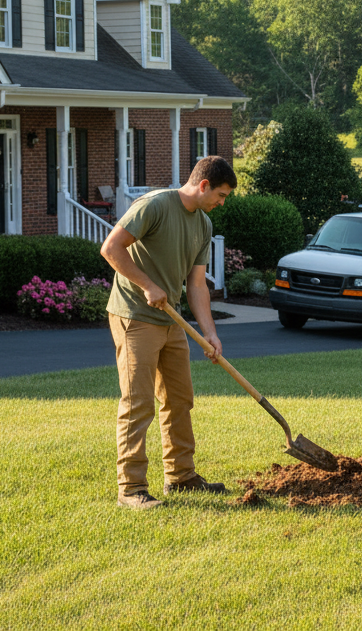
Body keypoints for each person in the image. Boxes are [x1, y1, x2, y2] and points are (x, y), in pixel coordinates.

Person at [100, 155, 237, 509]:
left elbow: (196, 285)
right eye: (220, 195)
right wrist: (147, 285)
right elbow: (110, 248)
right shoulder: (155, 206)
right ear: (203, 185)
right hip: (135, 316)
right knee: (138, 402)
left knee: (179, 399)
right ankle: (131, 489)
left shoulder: (203, 225)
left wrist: (210, 333)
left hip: (171, 320)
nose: (222, 204)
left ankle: (181, 477)